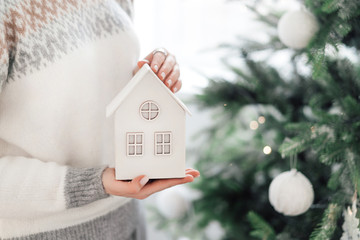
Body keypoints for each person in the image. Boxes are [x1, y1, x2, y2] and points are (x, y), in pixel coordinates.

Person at [0, 0, 199, 239]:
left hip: (127, 219)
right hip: (45, 231)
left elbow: (94, 84)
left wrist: (147, 77)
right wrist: (92, 183)